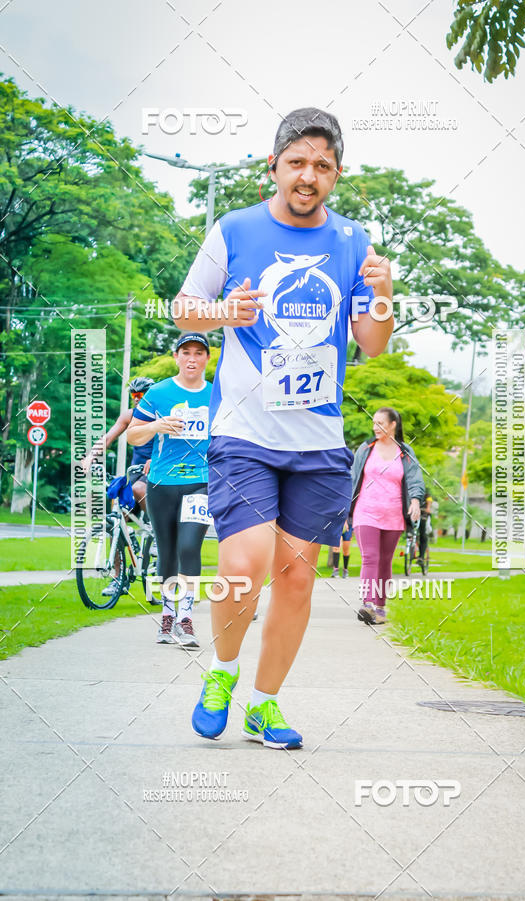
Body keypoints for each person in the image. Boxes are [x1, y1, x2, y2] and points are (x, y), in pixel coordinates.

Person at [173, 107, 394, 749]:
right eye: (297, 161)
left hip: (318, 444)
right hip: (245, 434)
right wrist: (222, 311)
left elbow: (372, 345)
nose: (308, 175)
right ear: (273, 166)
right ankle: (221, 672)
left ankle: (263, 705)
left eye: (322, 165)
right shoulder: (234, 229)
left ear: (336, 175)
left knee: (297, 577)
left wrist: (382, 293)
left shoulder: (354, 242)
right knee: (243, 565)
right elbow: (185, 306)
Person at [127, 333, 212, 648]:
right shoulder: (158, 393)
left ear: (207, 358)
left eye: (199, 353)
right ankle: (167, 614)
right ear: (177, 356)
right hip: (162, 484)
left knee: (189, 547)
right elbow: (132, 436)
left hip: (200, 482)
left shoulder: (217, 396)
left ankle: (186, 619)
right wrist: (154, 427)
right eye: (186, 352)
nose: (192, 359)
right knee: (167, 552)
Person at [349, 407, 425, 625]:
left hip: (393, 514)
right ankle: (368, 605)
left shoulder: (405, 451)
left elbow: (415, 479)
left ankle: (380, 609)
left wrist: (415, 500)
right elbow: (353, 478)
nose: (375, 427)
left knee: (385, 561)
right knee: (370, 557)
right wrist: (346, 510)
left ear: (393, 424)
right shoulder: (366, 448)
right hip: (366, 511)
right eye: (374, 423)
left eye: (380, 423)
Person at [83, 376, 155, 510]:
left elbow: (173, 445)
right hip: (136, 469)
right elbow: (108, 437)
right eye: (134, 394)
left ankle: (157, 527)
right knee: (119, 503)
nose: (136, 398)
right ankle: (121, 530)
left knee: (138, 489)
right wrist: (91, 456)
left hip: (156, 468)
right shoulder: (129, 415)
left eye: (140, 394)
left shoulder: (161, 415)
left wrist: (156, 459)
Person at [417, 489, 433, 566]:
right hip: (413, 515)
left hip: (423, 516)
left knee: (423, 535)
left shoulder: (426, 493)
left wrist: (428, 508)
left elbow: (429, 500)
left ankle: (421, 557)